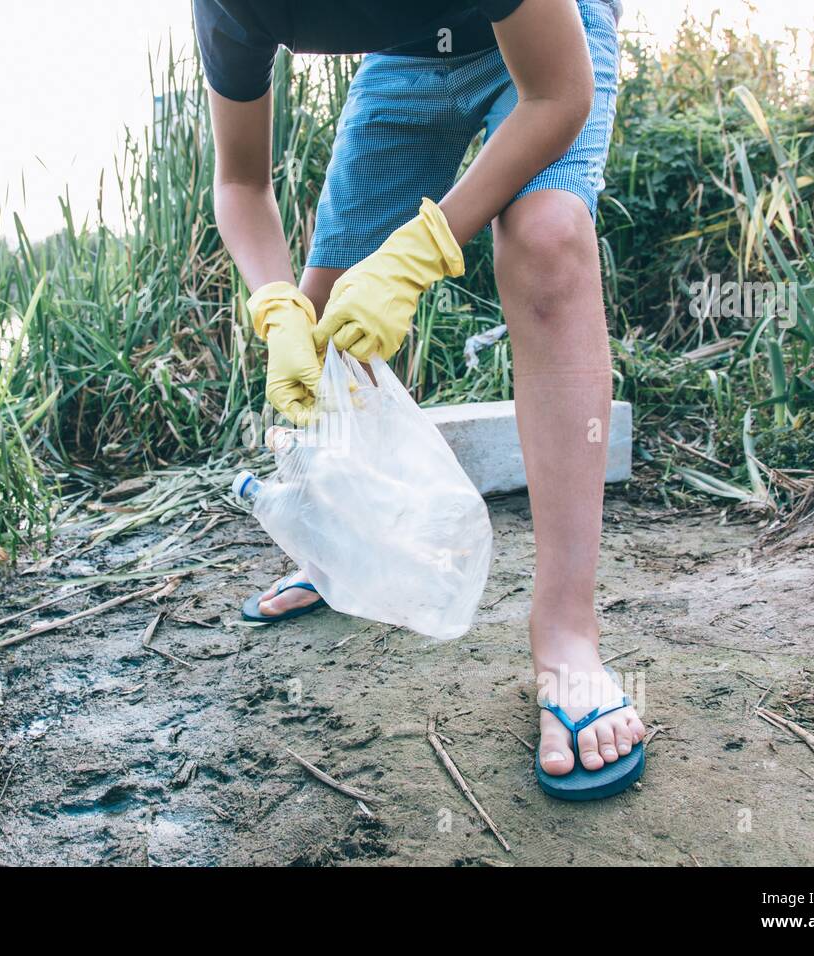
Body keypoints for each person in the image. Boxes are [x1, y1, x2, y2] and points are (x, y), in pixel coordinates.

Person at [195, 0, 645, 799]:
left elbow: (557, 96)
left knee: (545, 238)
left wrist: (420, 253)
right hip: (404, 61)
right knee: (327, 312)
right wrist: (275, 307)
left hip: (551, 42)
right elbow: (240, 182)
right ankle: (333, 545)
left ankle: (568, 637)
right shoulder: (229, 7)